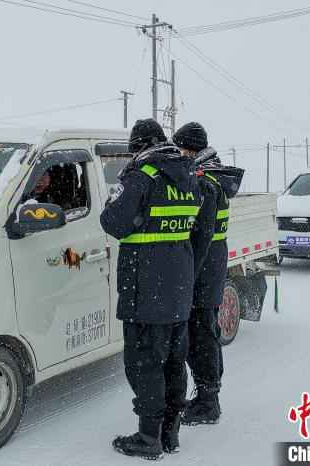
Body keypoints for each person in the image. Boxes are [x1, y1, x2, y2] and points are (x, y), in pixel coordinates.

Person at [100, 119, 215, 459]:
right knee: (173, 364)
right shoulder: (190, 179)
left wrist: (117, 194)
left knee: (144, 364)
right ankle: (170, 432)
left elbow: (113, 223)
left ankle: (148, 438)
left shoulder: (142, 177)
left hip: (145, 289)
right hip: (178, 287)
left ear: (138, 146)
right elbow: (200, 233)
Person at [172, 122, 244, 427]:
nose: (177, 154)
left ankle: (207, 402)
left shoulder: (205, 183)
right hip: (210, 271)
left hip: (202, 274)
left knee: (202, 338)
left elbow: (199, 238)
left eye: (179, 148)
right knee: (204, 335)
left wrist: (186, 275)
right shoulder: (215, 177)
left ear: (189, 148)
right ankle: (206, 395)